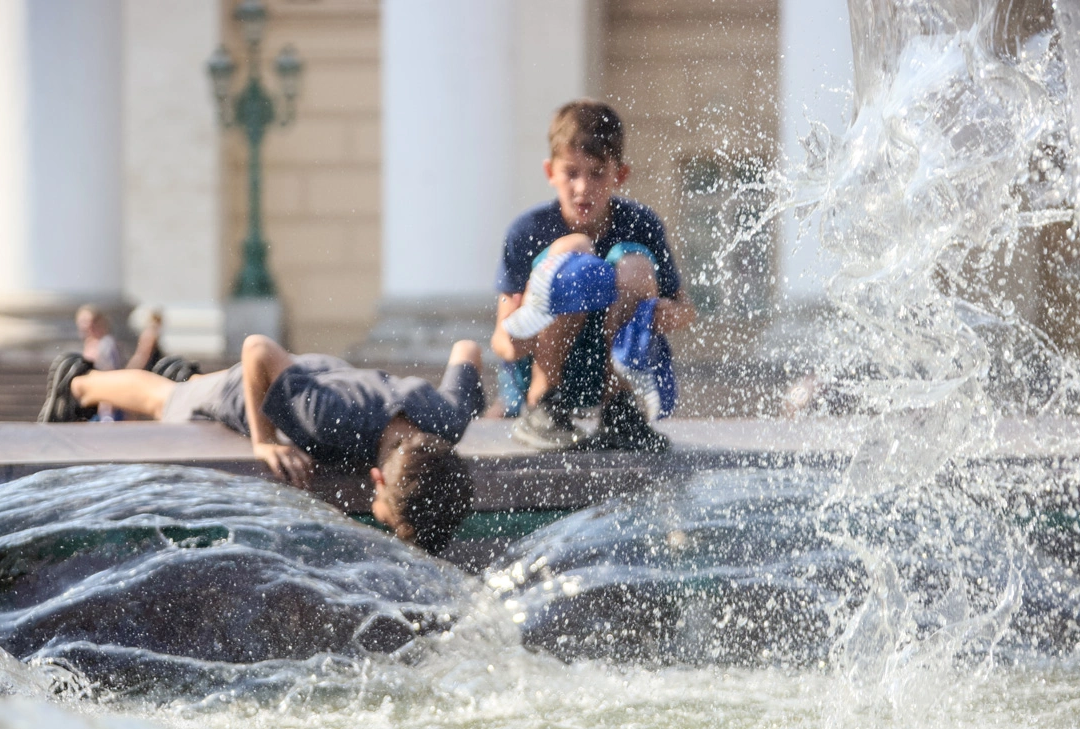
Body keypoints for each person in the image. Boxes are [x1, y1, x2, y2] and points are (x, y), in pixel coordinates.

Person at [38, 335, 484, 556]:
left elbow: (467, 348)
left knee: (186, 392)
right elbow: (257, 349)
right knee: (165, 402)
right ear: (378, 477)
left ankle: (185, 378)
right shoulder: (328, 421)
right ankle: (79, 383)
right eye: (387, 518)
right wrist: (263, 441)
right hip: (260, 388)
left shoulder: (446, 420)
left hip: (325, 376)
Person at [491, 99, 696, 452]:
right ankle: (545, 405)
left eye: (597, 172)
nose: (583, 188)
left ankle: (620, 411)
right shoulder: (528, 231)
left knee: (632, 265)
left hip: (611, 365)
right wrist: (531, 312)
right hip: (545, 369)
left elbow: (684, 309)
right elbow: (502, 341)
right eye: (572, 172)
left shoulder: (641, 225)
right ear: (550, 172)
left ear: (620, 174)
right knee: (575, 253)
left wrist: (666, 314)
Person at [75, 304, 124, 421]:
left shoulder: (107, 344)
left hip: (106, 406)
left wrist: (108, 408)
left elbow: (111, 376)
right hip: (91, 403)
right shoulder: (87, 343)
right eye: (82, 321)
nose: (85, 325)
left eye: (88, 321)